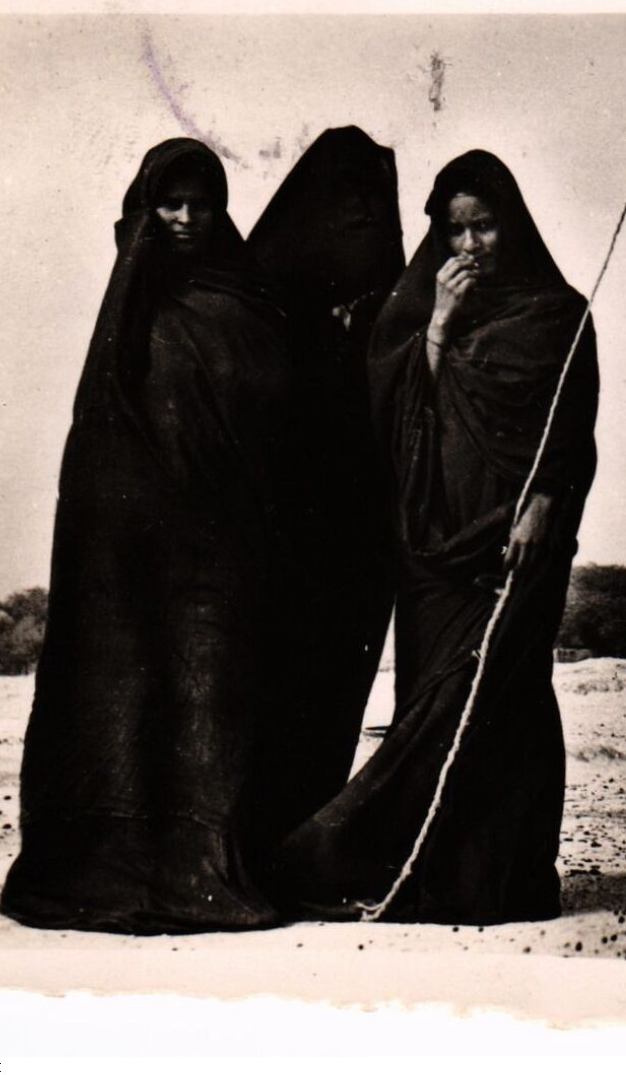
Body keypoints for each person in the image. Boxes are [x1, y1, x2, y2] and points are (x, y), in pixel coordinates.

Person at [266, 150, 599, 925]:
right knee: (437, 698)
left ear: (511, 225)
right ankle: (426, 870)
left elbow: (572, 427)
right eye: (457, 230)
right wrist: (441, 323)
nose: (472, 244)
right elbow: (391, 412)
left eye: (486, 225)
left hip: (518, 539)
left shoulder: (561, 313)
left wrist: (543, 501)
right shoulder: (415, 314)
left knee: (504, 698)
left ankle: (509, 878)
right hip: (431, 545)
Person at [0, 138, 296, 934]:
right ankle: (107, 866)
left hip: (224, 550)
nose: (186, 217)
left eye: (202, 203)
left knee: (214, 700)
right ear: (143, 209)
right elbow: (100, 445)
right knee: (127, 695)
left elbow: (281, 422)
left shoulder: (249, 300)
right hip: (131, 552)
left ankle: (206, 871)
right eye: (170, 203)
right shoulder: (126, 311)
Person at [244, 127, 408, 852]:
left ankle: (299, 843)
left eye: (372, 204)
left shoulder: (397, 305)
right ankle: (252, 844)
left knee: (335, 693)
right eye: (346, 204)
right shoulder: (263, 301)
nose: (362, 219)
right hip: (281, 534)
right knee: (271, 688)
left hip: (364, 535)